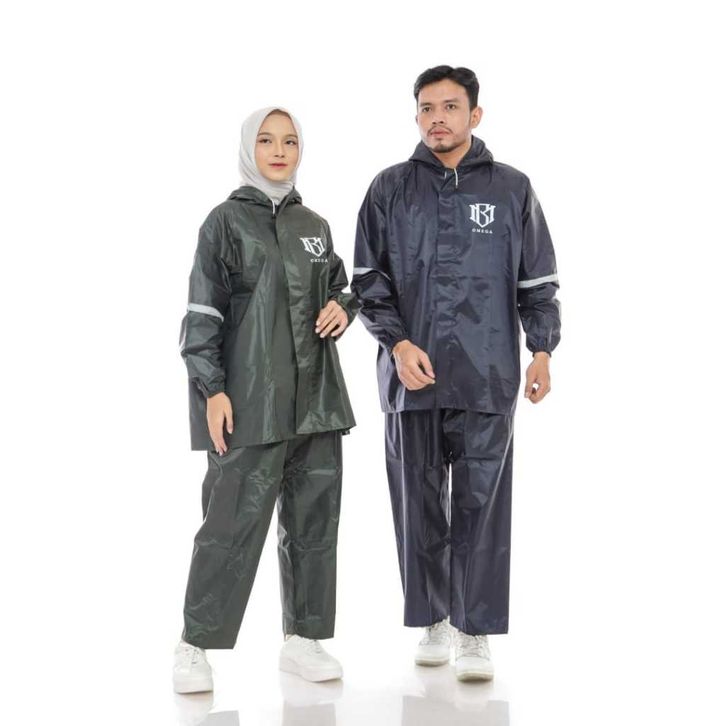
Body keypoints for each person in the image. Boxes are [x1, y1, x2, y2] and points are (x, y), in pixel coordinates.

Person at [351, 66, 561, 682]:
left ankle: (474, 631)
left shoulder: (512, 189)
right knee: (416, 502)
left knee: (481, 504)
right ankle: (434, 621)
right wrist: (397, 344)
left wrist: (542, 350)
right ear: (416, 115)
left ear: (475, 114)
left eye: (449, 106)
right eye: (426, 107)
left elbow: (537, 281)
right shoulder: (389, 189)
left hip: (487, 373)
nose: (437, 118)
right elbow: (367, 281)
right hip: (410, 378)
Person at [174, 107, 359, 693]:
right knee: (229, 525)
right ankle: (194, 645)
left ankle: (304, 638)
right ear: (248, 148)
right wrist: (213, 389)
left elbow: (340, 286)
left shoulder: (315, 224)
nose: (279, 151)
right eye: (267, 140)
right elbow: (202, 314)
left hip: (317, 401)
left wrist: (344, 307)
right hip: (251, 400)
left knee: (314, 524)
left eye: (290, 141)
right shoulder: (225, 222)